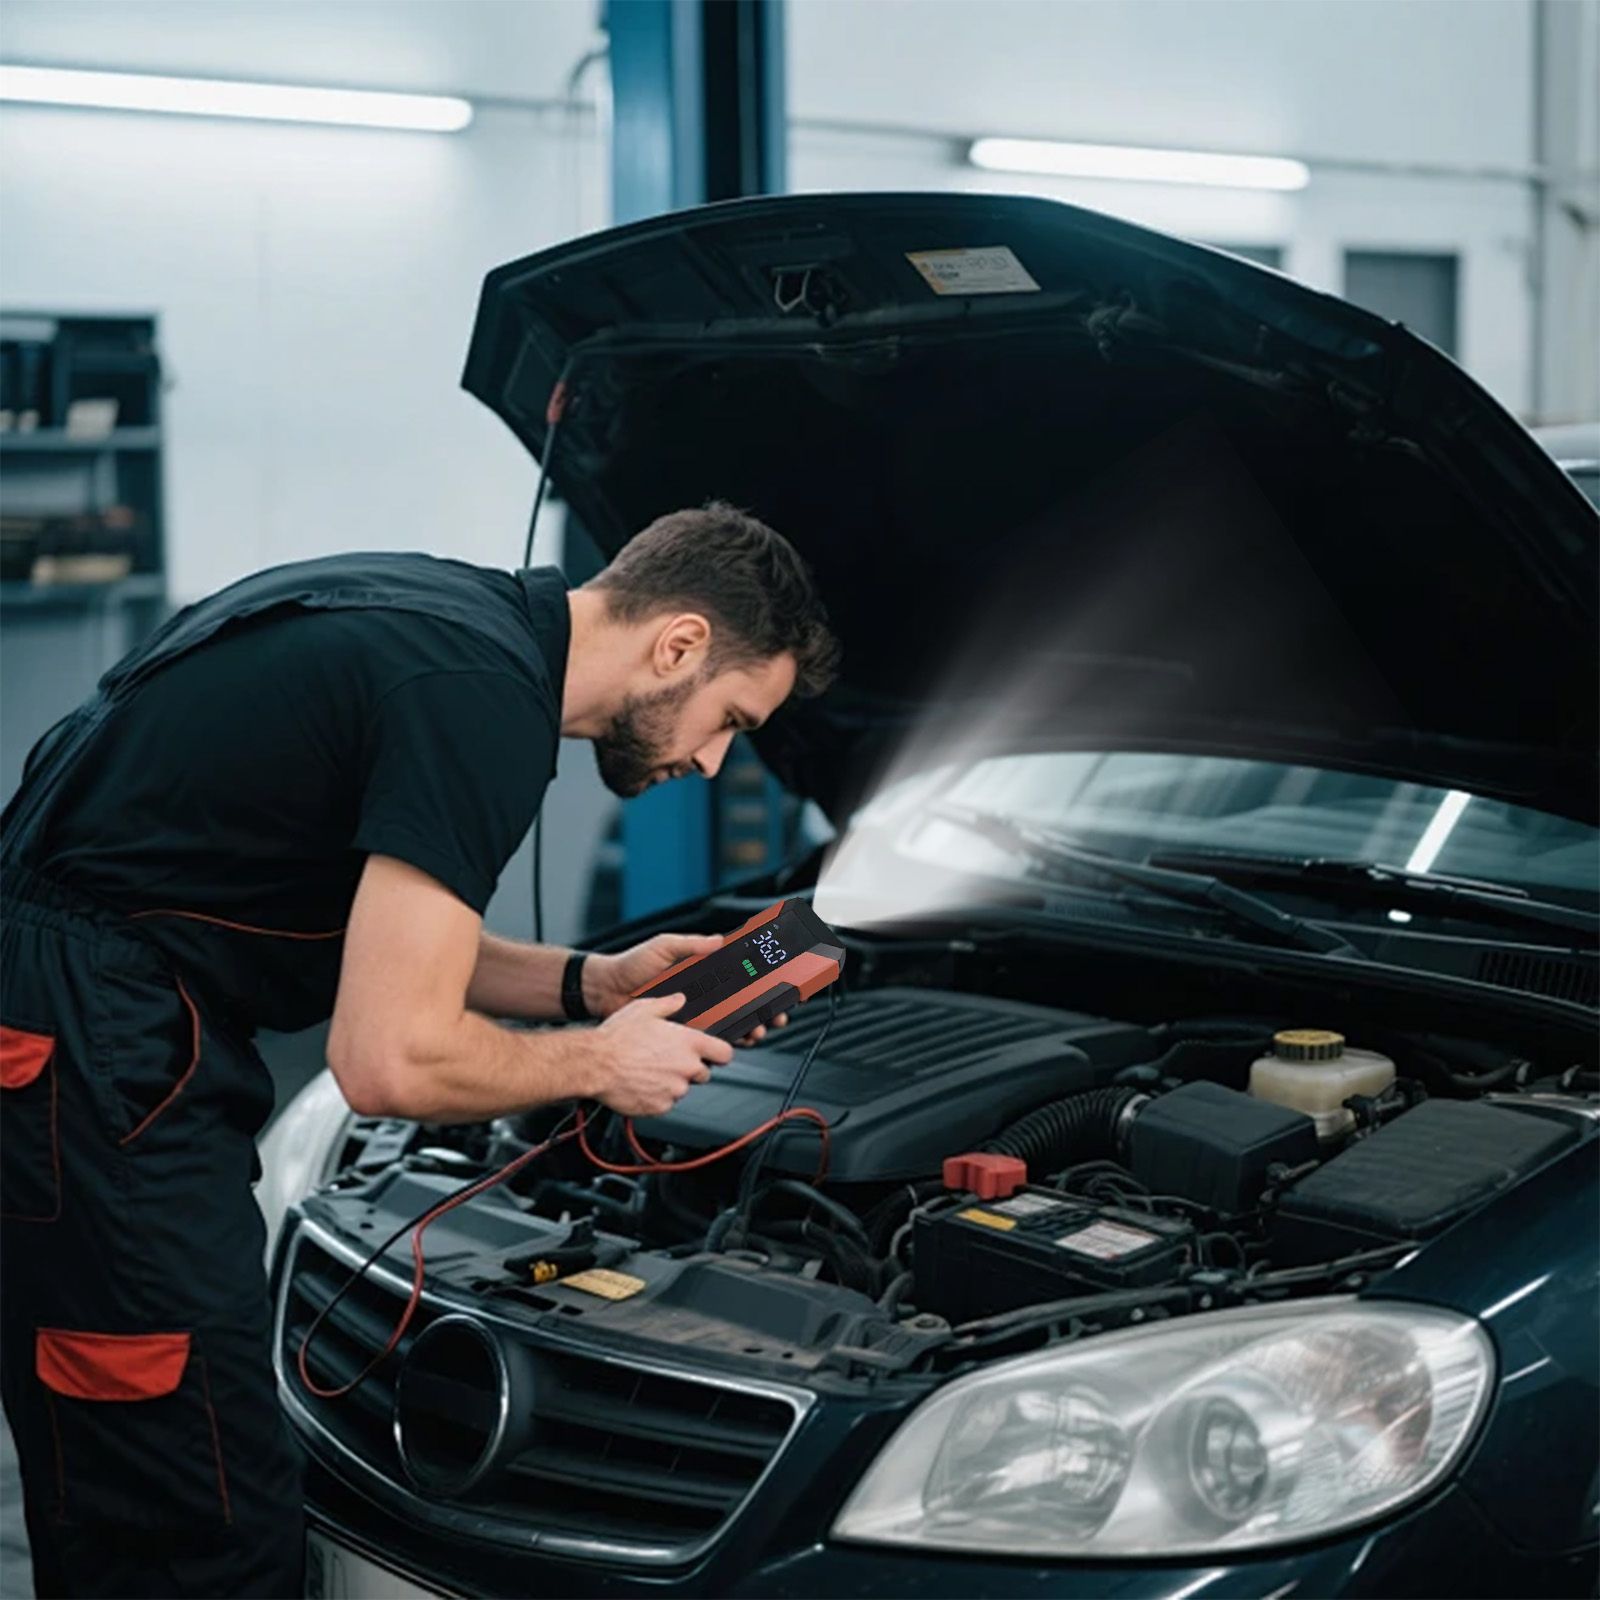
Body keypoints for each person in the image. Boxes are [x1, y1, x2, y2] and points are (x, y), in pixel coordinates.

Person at [0, 502, 839, 1597]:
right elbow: (388, 1060)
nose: (717, 760)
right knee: (197, 1523)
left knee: (115, 1473)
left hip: (63, 1027)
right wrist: (601, 1060)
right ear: (678, 645)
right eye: (730, 718)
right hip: (96, 1053)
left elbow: (388, 931)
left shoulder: (446, 624)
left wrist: (590, 982)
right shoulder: (483, 703)